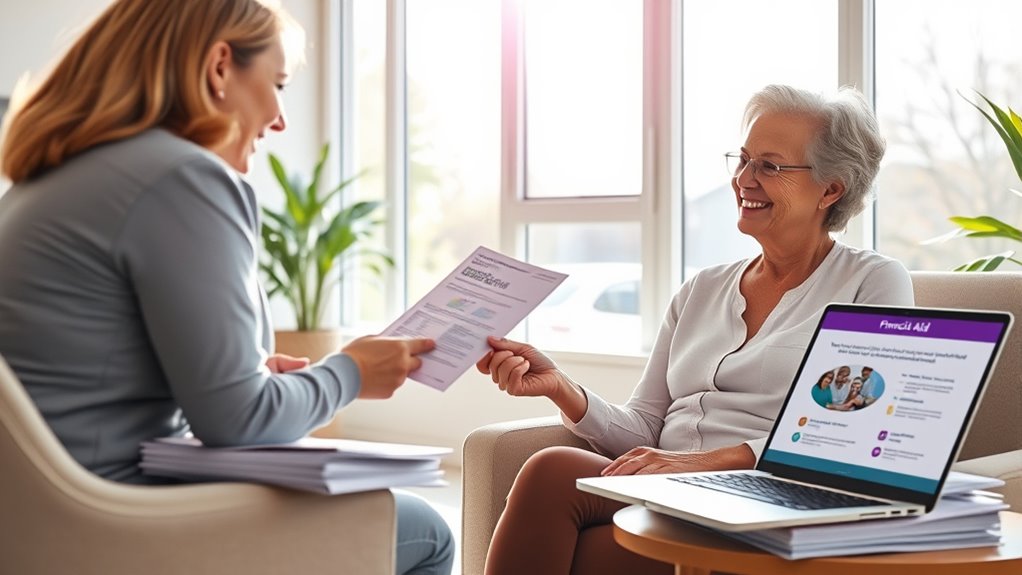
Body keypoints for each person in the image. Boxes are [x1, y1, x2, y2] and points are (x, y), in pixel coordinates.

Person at [0, 1, 453, 574]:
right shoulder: (181, 176)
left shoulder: (47, 182)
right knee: (425, 531)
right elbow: (238, 421)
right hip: (108, 521)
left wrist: (251, 376)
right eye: (277, 83)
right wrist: (351, 373)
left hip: (29, 521)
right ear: (219, 67)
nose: (280, 119)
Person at [475, 84, 914, 575]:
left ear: (830, 189)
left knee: (583, 547)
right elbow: (646, 426)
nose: (744, 179)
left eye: (769, 167)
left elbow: (851, 434)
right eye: (743, 160)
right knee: (552, 468)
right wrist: (561, 387)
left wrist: (703, 463)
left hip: (766, 497)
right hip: (669, 489)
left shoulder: (872, 281)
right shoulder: (702, 288)